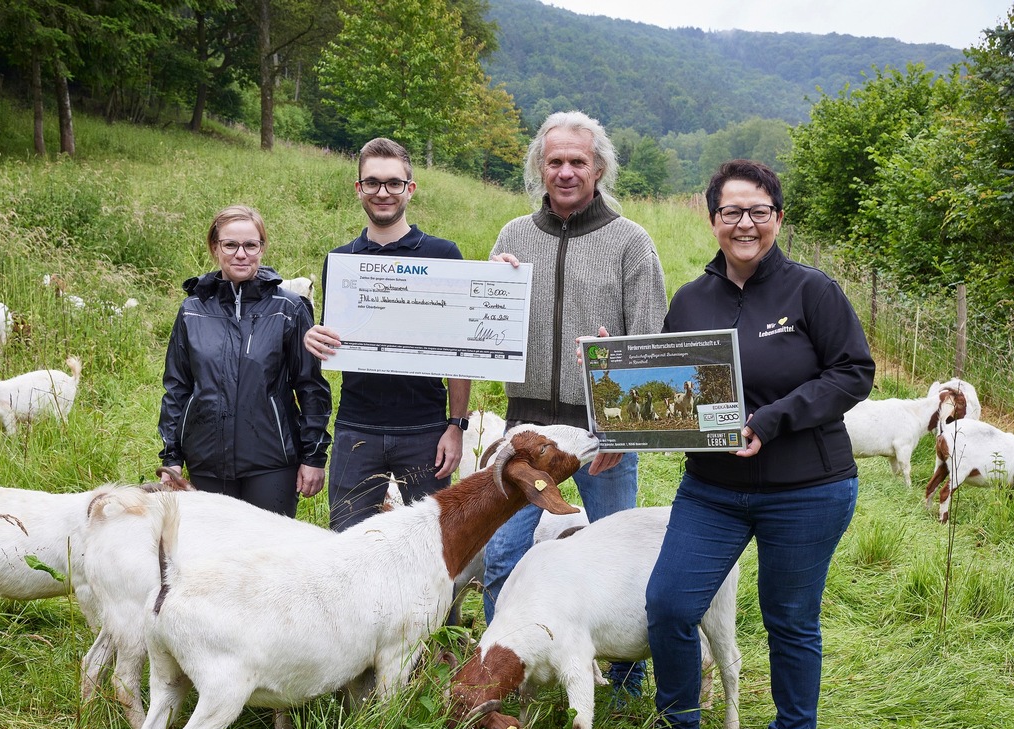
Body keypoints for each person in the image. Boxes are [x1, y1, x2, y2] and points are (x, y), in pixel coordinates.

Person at [638, 159, 874, 729]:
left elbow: (854, 372)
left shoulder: (812, 291)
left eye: (758, 211)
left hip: (807, 489)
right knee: (668, 602)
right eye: (731, 212)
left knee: (788, 616)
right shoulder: (691, 300)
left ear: (776, 217)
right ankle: (680, 723)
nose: (745, 223)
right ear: (712, 217)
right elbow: (668, 384)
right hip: (713, 491)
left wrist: (772, 419)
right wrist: (619, 368)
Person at [483, 111, 668, 696]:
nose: (566, 172)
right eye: (555, 161)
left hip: (602, 432)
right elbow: (484, 331)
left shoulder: (630, 241)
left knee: (618, 563)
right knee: (504, 560)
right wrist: (489, 287)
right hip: (528, 430)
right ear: (540, 165)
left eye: (578, 161)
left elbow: (652, 345)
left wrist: (625, 432)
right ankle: (505, 678)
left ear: (599, 168)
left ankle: (626, 682)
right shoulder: (512, 236)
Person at [304, 137, 469, 531]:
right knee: (348, 548)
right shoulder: (340, 261)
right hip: (355, 429)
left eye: (394, 183)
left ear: (410, 189)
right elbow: (339, 338)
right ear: (358, 188)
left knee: (432, 548)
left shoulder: (444, 256)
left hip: (425, 431)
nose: (383, 192)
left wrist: (456, 426)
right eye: (373, 182)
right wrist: (313, 339)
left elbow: (460, 352)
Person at [158, 204, 332, 517]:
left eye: (251, 245)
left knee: (269, 557)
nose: (241, 254)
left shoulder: (289, 309)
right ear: (215, 247)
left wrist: (314, 456)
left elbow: (310, 386)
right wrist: (171, 456)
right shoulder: (193, 310)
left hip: (272, 462)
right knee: (211, 558)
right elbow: (178, 387)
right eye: (230, 245)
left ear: (262, 248)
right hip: (206, 460)